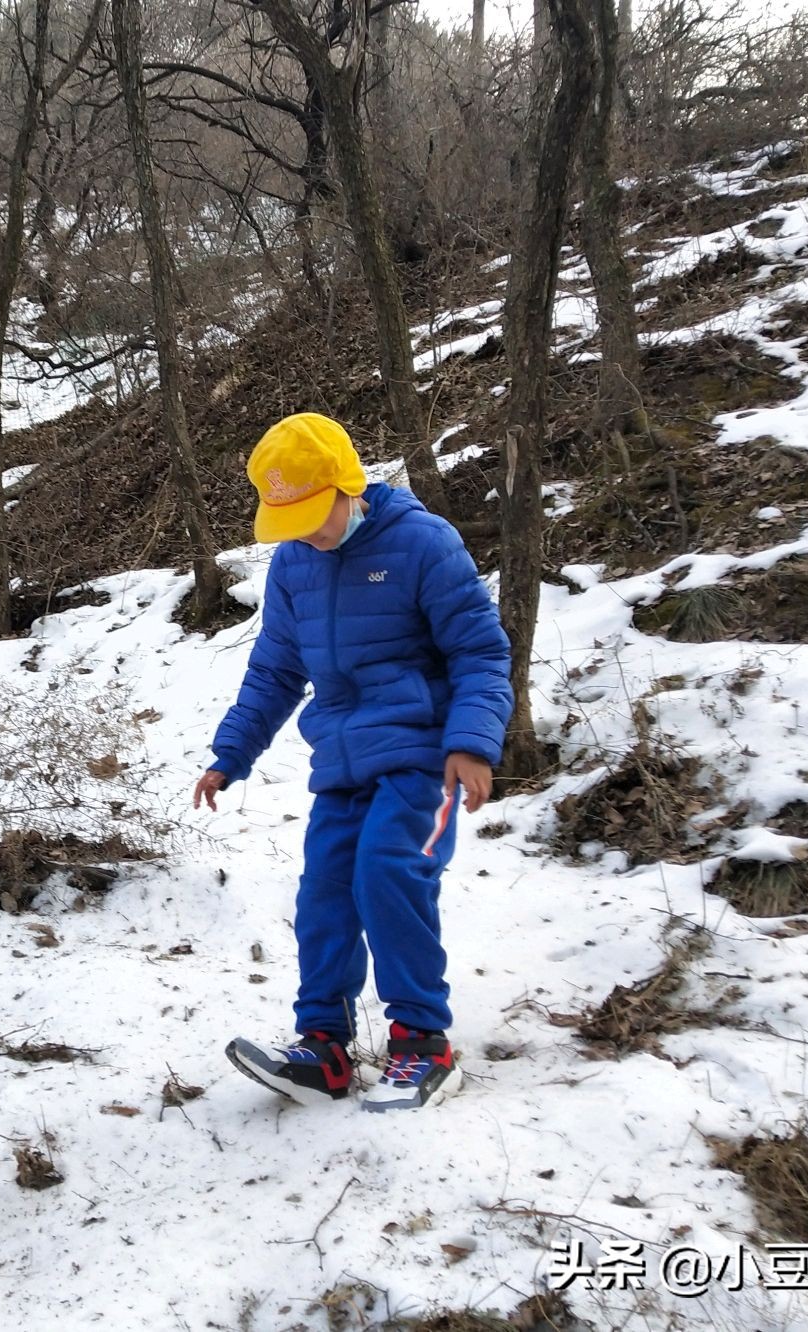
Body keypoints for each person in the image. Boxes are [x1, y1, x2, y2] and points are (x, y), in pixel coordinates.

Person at [194, 412, 512, 1111]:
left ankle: (422, 1044)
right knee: (325, 892)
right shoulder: (296, 566)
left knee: (386, 872)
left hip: (422, 758)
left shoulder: (423, 544)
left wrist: (470, 744)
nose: (307, 531)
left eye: (314, 513)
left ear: (349, 484)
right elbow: (274, 670)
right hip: (340, 762)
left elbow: (480, 653)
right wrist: (230, 753)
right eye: (290, 520)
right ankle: (324, 1048)